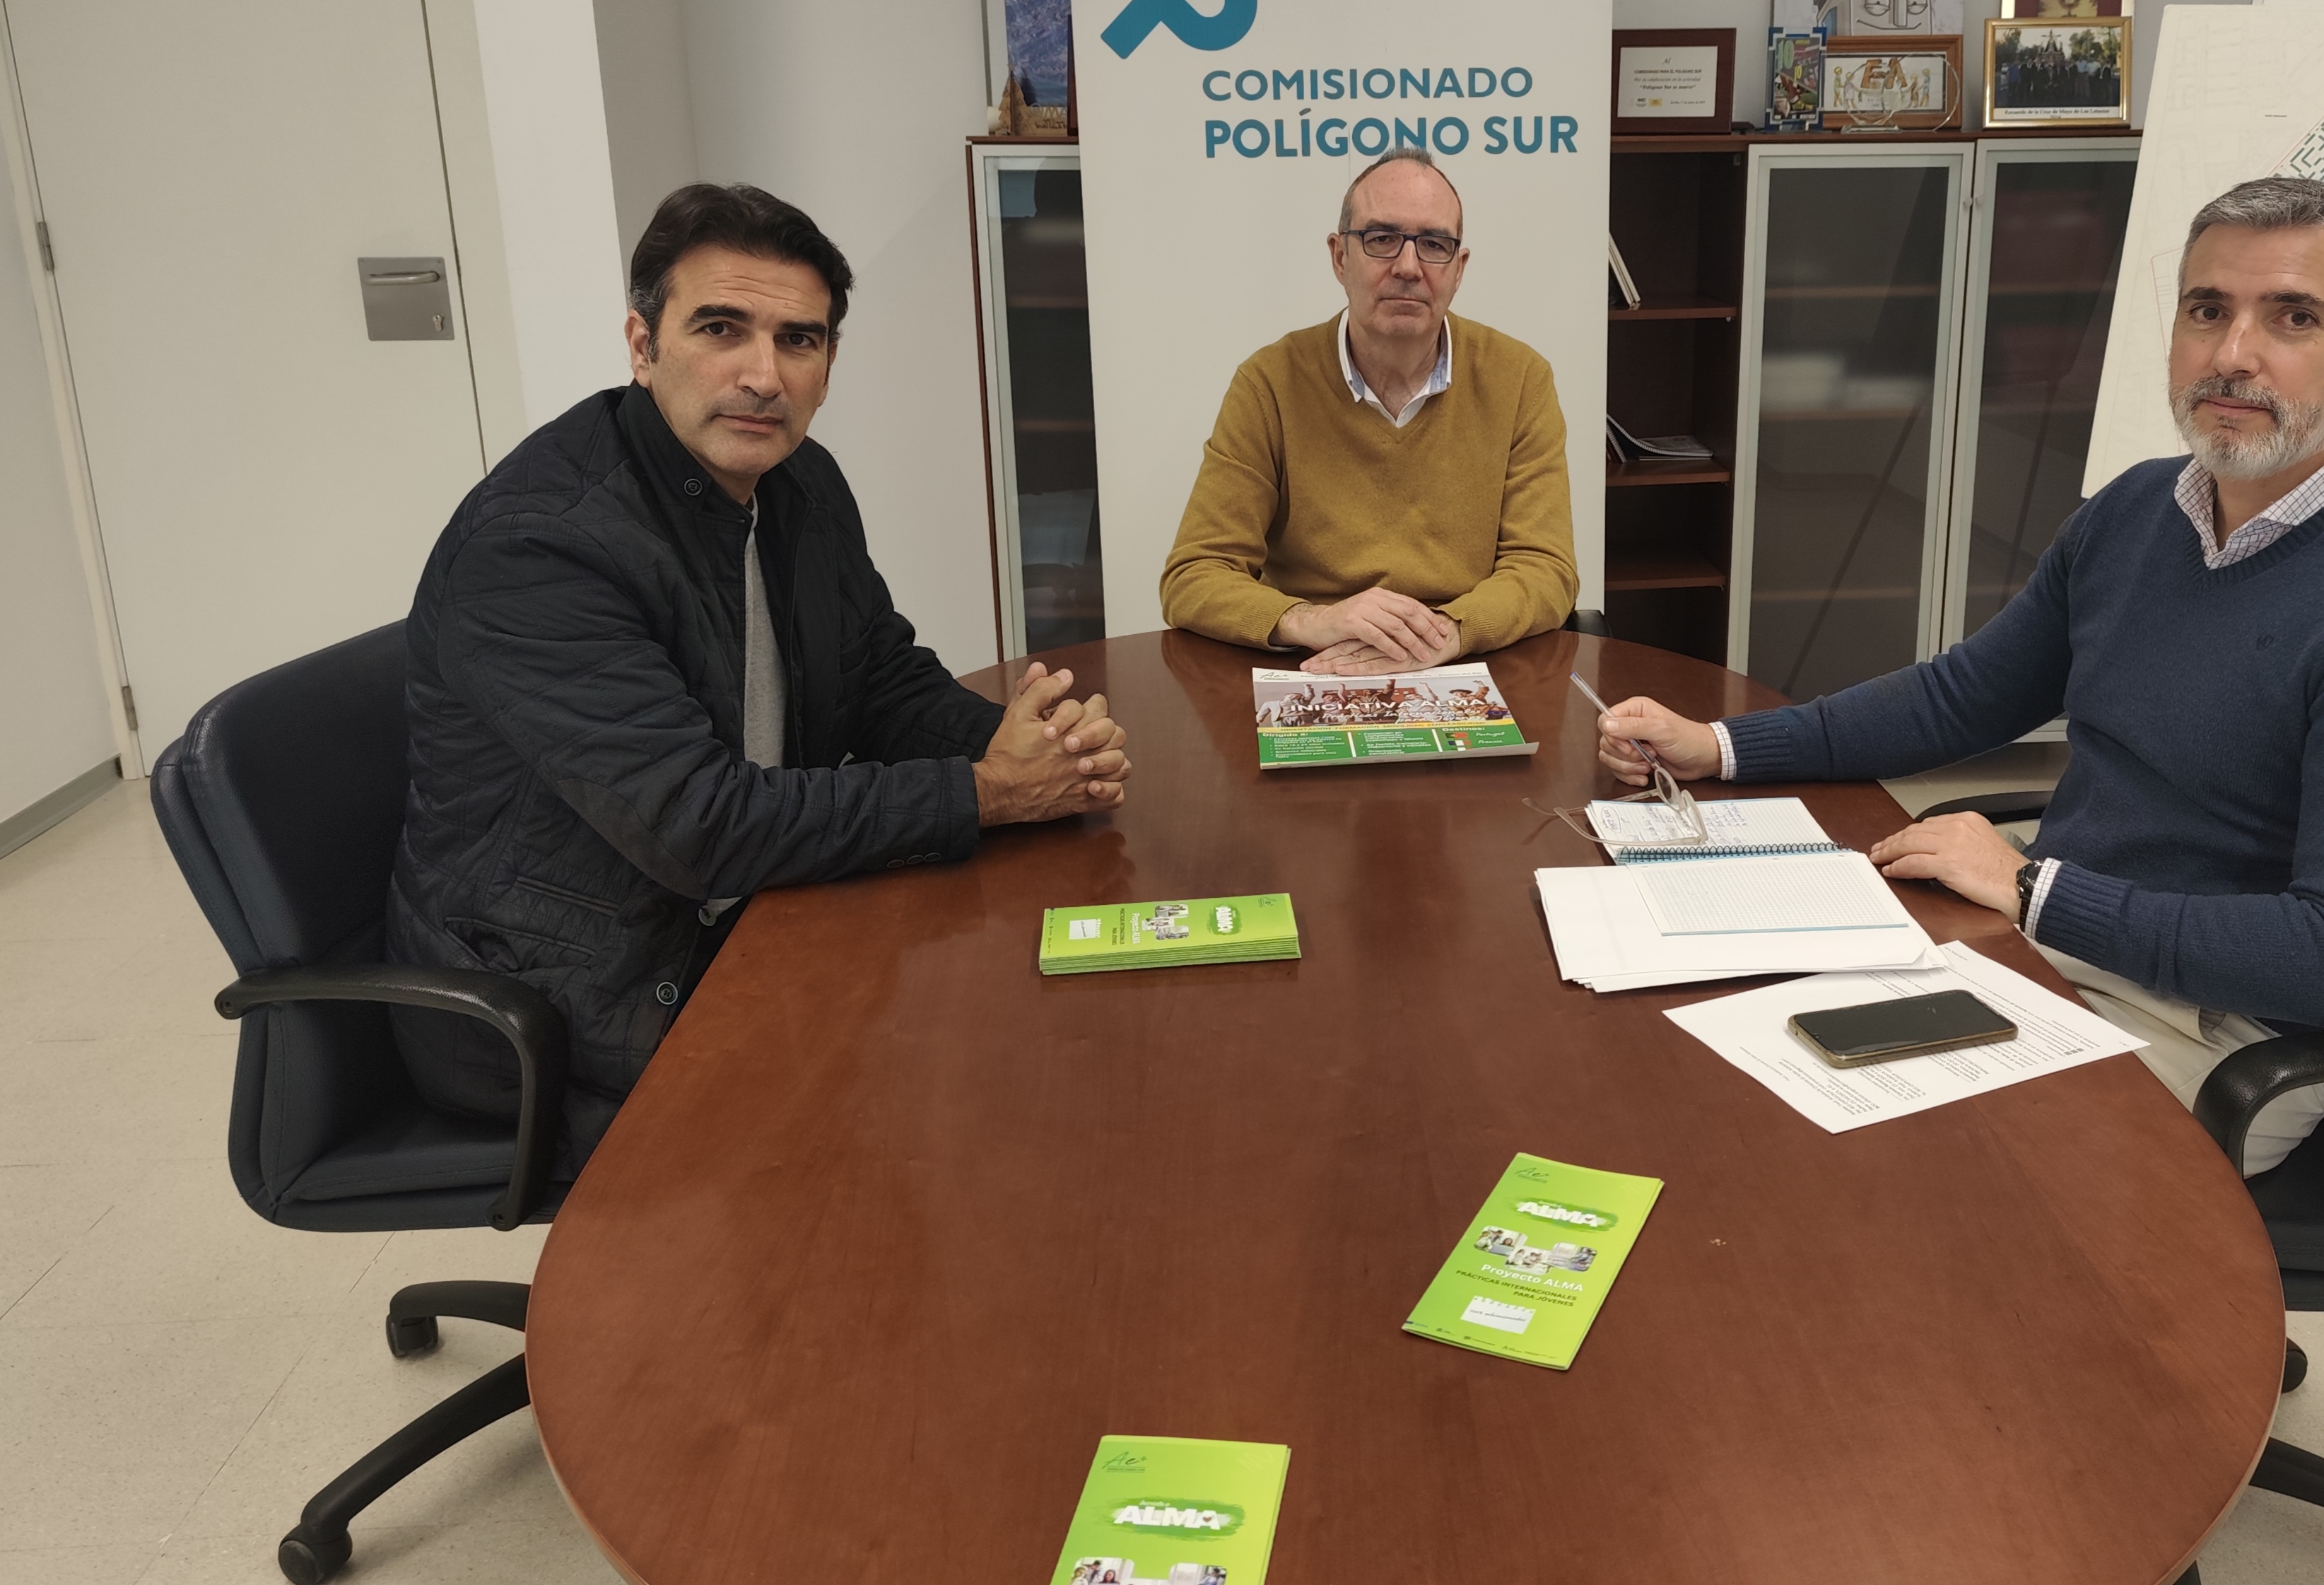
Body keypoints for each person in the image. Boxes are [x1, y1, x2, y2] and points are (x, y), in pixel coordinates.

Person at [1592, 176, 2324, 1175]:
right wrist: (1721, 745)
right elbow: (1964, 696)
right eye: (2207, 310)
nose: (2233, 354)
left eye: (2293, 317)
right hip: (2043, 947)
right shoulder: (2141, 509)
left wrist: (2034, 888)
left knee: (1843, 1164)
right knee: (1698, 1044)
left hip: (2211, 1032)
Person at [388, 183, 1133, 1169]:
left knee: (1056, 1031)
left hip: (747, 911)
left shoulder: (797, 482)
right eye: (721, 329)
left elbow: (878, 675)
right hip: (568, 999)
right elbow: (699, 827)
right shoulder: (539, 548)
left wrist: (1016, 744)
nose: (762, 375)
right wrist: (988, 792)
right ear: (643, 345)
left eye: (798, 340)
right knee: (974, 1103)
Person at [1158, 147, 1578, 677]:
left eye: (1434, 245)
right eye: (1381, 239)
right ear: (1340, 257)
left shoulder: (1518, 379)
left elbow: (1546, 569)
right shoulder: (1269, 382)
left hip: (1462, 659)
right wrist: (1310, 620)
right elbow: (1195, 574)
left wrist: (1443, 633)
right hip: (1315, 664)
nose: (1408, 267)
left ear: (1459, 269)